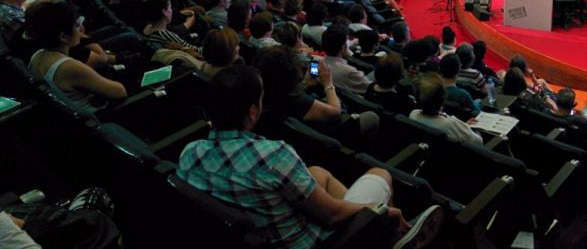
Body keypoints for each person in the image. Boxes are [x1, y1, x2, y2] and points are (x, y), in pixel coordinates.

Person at [177, 65, 444, 249]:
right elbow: (332, 217)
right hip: (321, 242)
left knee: (318, 172)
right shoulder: (274, 156)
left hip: (261, 227)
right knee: (380, 174)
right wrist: (382, 211)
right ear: (251, 112)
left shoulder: (189, 153)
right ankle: (389, 237)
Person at [26, 1, 127, 112]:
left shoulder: (36, 56)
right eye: (77, 25)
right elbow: (120, 92)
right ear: (64, 36)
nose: (81, 29)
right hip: (100, 118)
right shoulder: (70, 67)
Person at [408, 72, 482, 145]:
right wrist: (471, 128)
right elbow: (479, 142)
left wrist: (464, 126)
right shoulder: (451, 124)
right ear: (443, 99)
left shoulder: (413, 114)